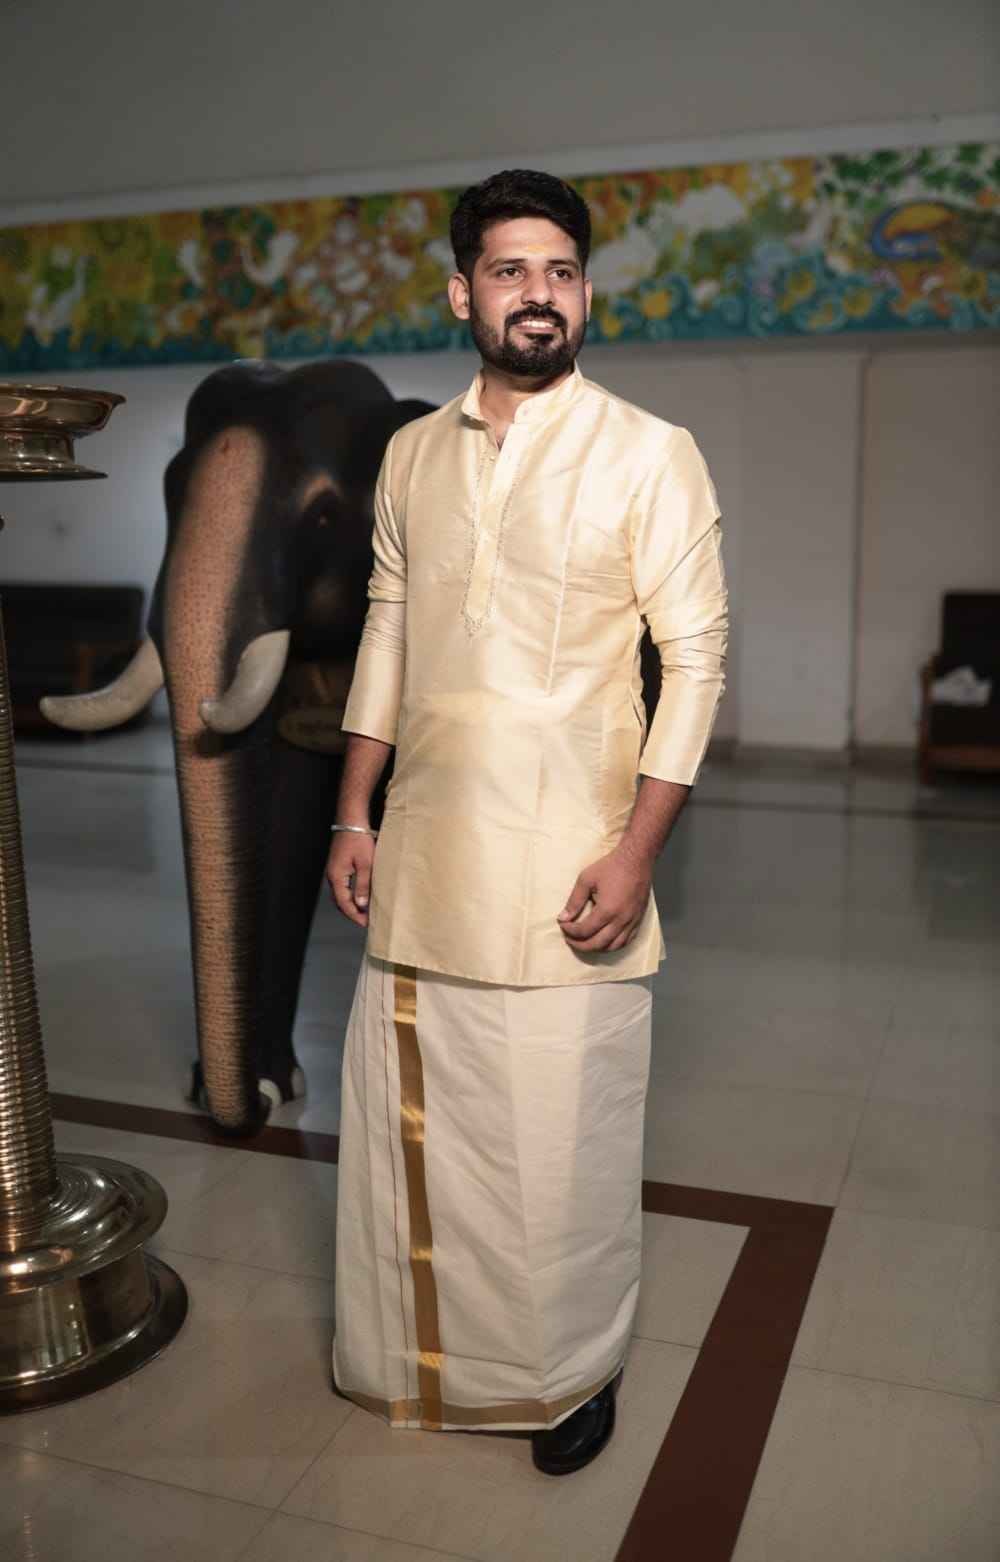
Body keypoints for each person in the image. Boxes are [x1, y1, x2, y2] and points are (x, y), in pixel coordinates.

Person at [325, 168, 728, 1476]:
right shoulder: (411, 455)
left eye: (560, 271)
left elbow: (697, 663)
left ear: (586, 293)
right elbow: (390, 629)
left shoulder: (650, 452)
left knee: (562, 1151)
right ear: (464, 293)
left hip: (573, 864)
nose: (538, 294)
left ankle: (571, 1376)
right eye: (510, 270)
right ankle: (414, 1357)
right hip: (426, 852)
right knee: (426, 1134)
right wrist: (352, 810)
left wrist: (638, 851)